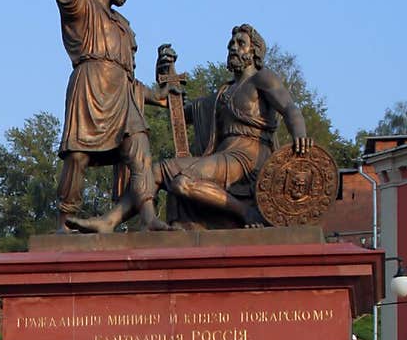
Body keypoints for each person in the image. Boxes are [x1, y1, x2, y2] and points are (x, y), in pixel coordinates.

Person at [71, 24, 309, 231]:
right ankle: (110, 221)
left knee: (181, 182)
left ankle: (245, 212)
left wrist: (300, 138)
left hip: (248, 158)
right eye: (231, 43)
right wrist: (165, 77)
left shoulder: (262, 78)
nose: (233, 47)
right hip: (225, 156)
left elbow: (289, 108)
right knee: (155, 171)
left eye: (241, 43)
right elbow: (180, 114)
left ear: (255, 52)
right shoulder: (222, 94)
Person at [51, 0, 171, 233]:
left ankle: (147, 216)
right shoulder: (81, 7)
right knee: (78, 156)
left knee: (139, 145)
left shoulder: (123, 26)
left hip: (123, 95)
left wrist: (159, 95)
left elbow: (130, 80)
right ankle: (65, 223)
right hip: (90, 86)